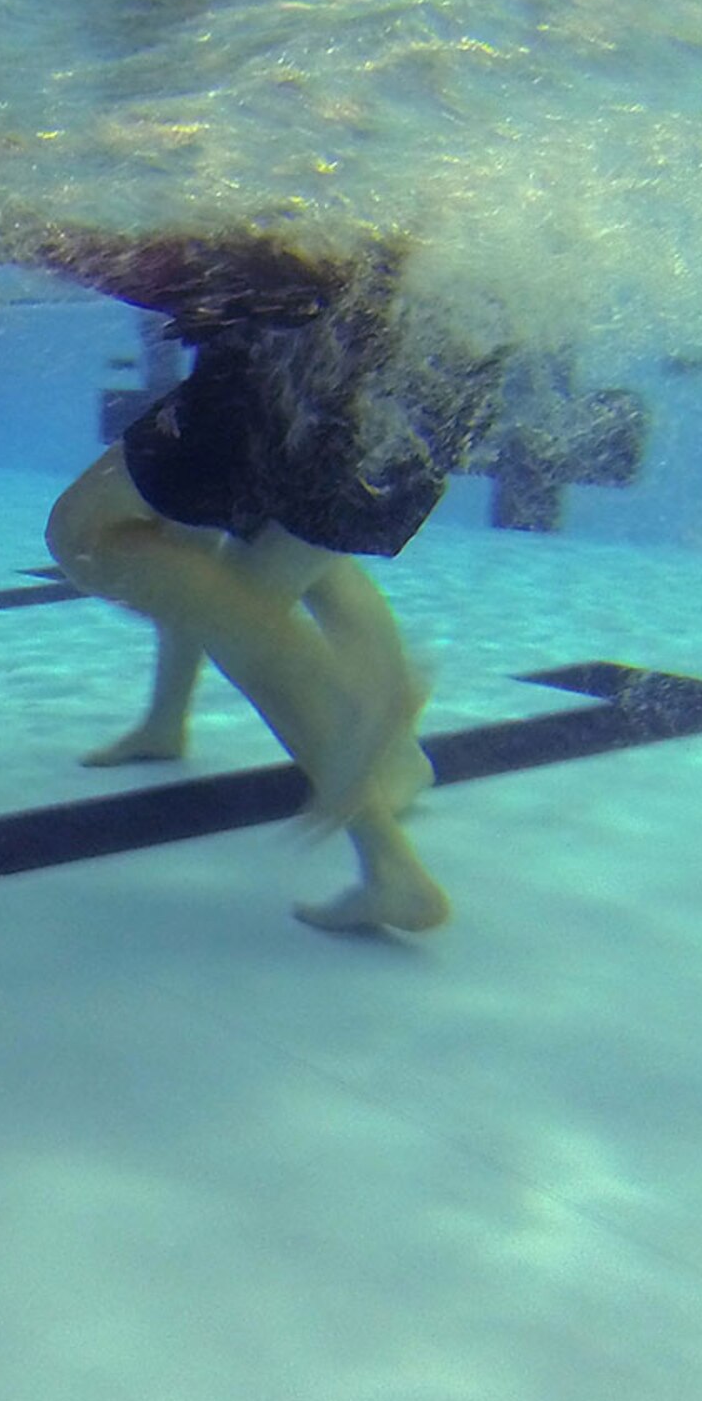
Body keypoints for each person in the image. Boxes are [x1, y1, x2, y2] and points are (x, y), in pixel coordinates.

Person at [30, 229, 503, 932]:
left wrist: (28, 237)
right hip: (434, 358)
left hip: (325, 350)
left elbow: (161, 261)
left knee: (94, 537)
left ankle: (375, 775)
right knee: (252, 543)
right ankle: (384, 751)